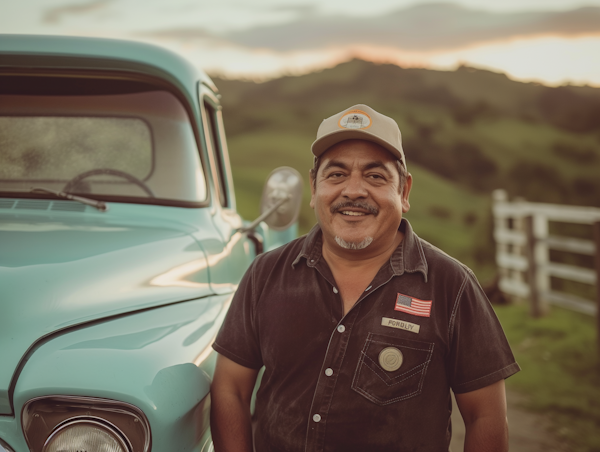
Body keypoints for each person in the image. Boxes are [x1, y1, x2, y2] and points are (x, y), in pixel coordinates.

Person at [210, 104, 520, 452]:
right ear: (314, 188)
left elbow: (486, 417)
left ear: (404, 192)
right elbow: (230, 389)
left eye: (375, 176)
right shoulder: (265, 275)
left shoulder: (452, 285)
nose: (353, 191)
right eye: (337, 174)